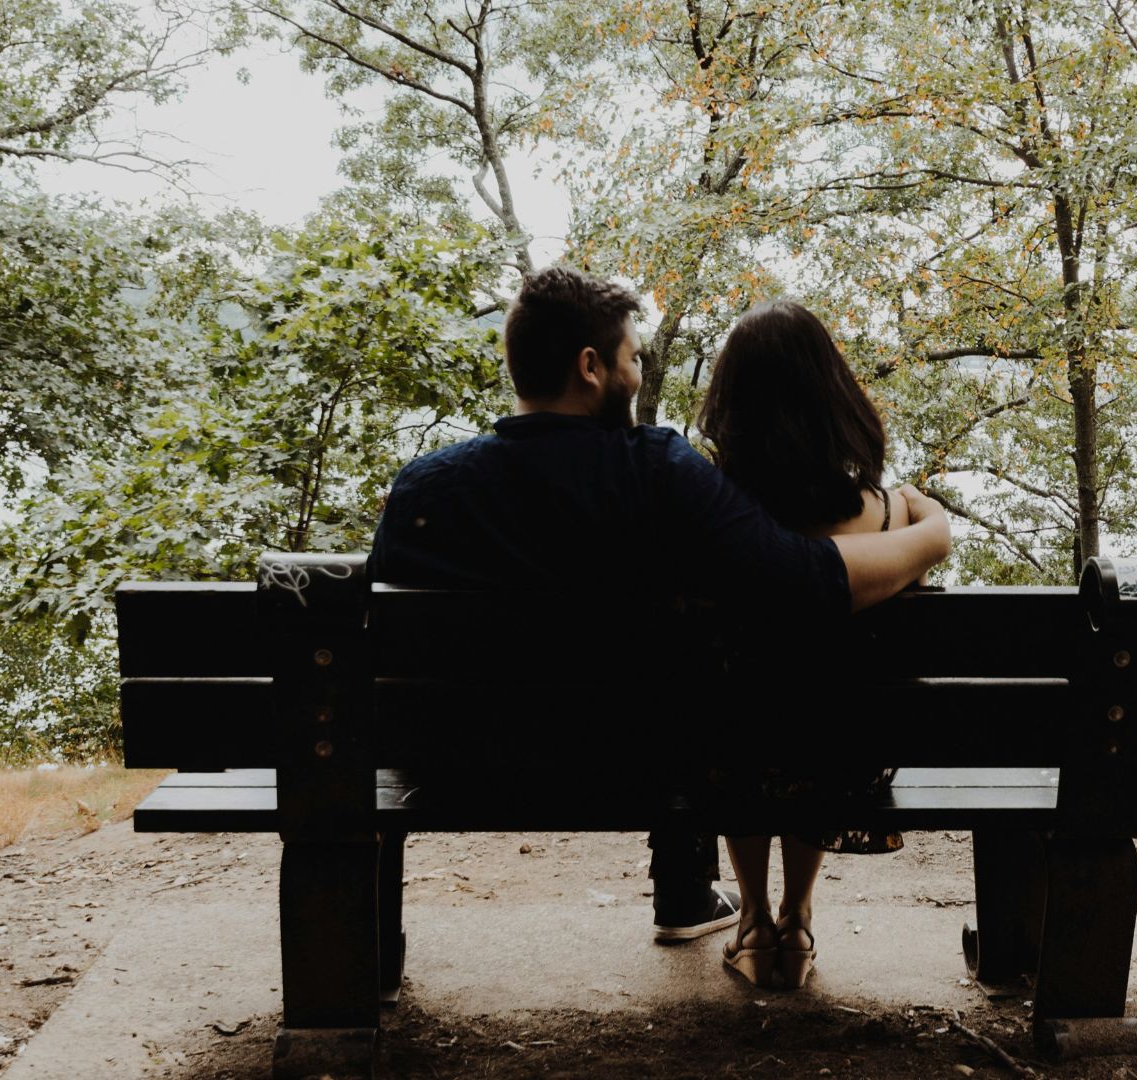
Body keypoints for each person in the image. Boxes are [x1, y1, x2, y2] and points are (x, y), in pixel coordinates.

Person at [366, 266, 949, 945]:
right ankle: (691, 892)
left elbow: (383, 638)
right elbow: (802, 581)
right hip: (623, 767)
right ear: (591, 368)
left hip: (446, 767)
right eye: (632, 357)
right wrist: (930, 535)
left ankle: (369, 954)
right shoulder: (656, 473)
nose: (638, 372)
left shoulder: (423, 490)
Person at [694, 299, 921, 990]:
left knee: (736, 723)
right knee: (816, 719)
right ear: (834, 397)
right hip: (843, 758)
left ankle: (755, 921)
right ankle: (796, 920)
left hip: (724, 756)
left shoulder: (711, 517)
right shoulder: (886, 516)